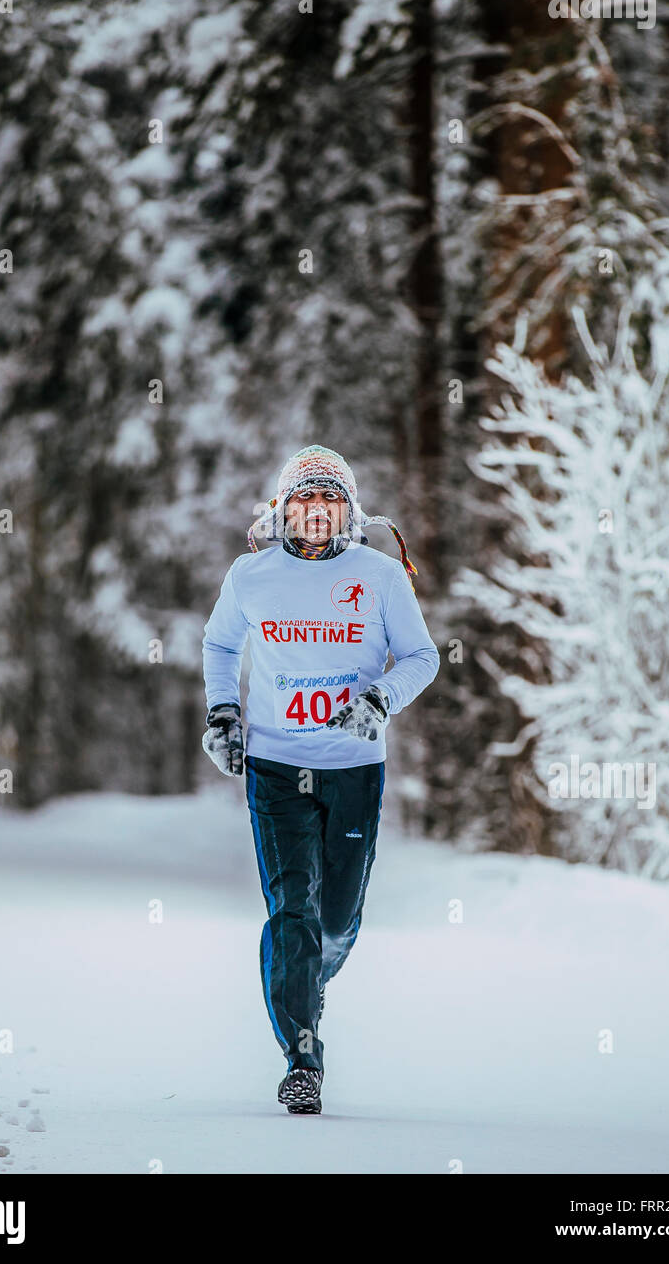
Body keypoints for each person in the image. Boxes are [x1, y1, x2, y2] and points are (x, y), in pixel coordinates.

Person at [201, 445, 440, 1114]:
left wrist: (379, 700)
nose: (316, 510)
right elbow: (219, 645)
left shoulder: (383, 576)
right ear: (283, 509)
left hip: (354, 772)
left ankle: (312, 978)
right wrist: (224, 716)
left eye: (329, 497)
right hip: (276, 767)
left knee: (335, 921)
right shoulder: (251, 576)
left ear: (349, 510)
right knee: (292, 912)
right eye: (304, 497)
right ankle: (302, 1054)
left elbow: (422, 656)